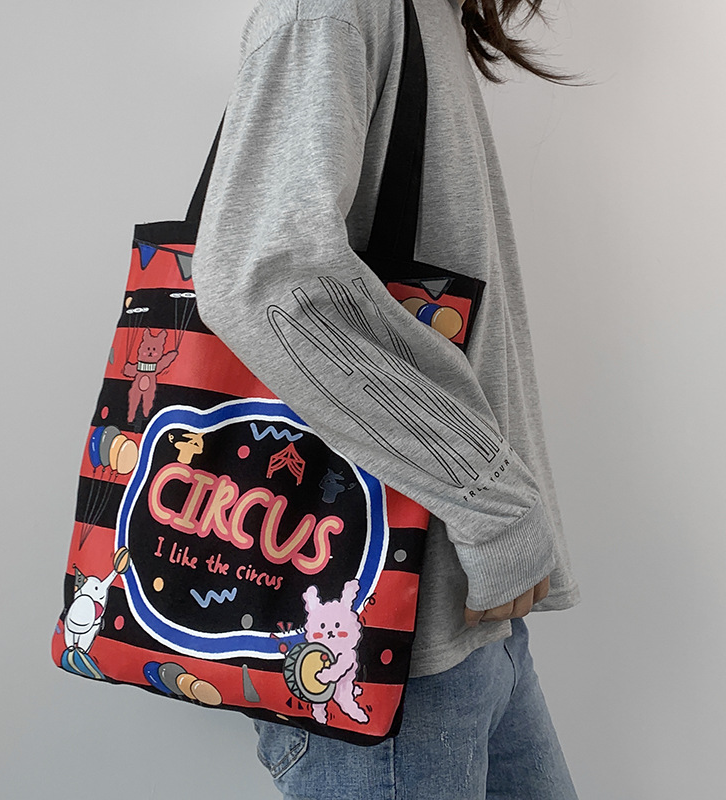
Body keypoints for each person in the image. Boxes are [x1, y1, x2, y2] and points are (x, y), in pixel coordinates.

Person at [190, 0, 581, 797]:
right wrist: (491, 501)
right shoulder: (335, 9)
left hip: (466, 625)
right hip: (377, 657)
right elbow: (262, 276)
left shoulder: (420, 12)